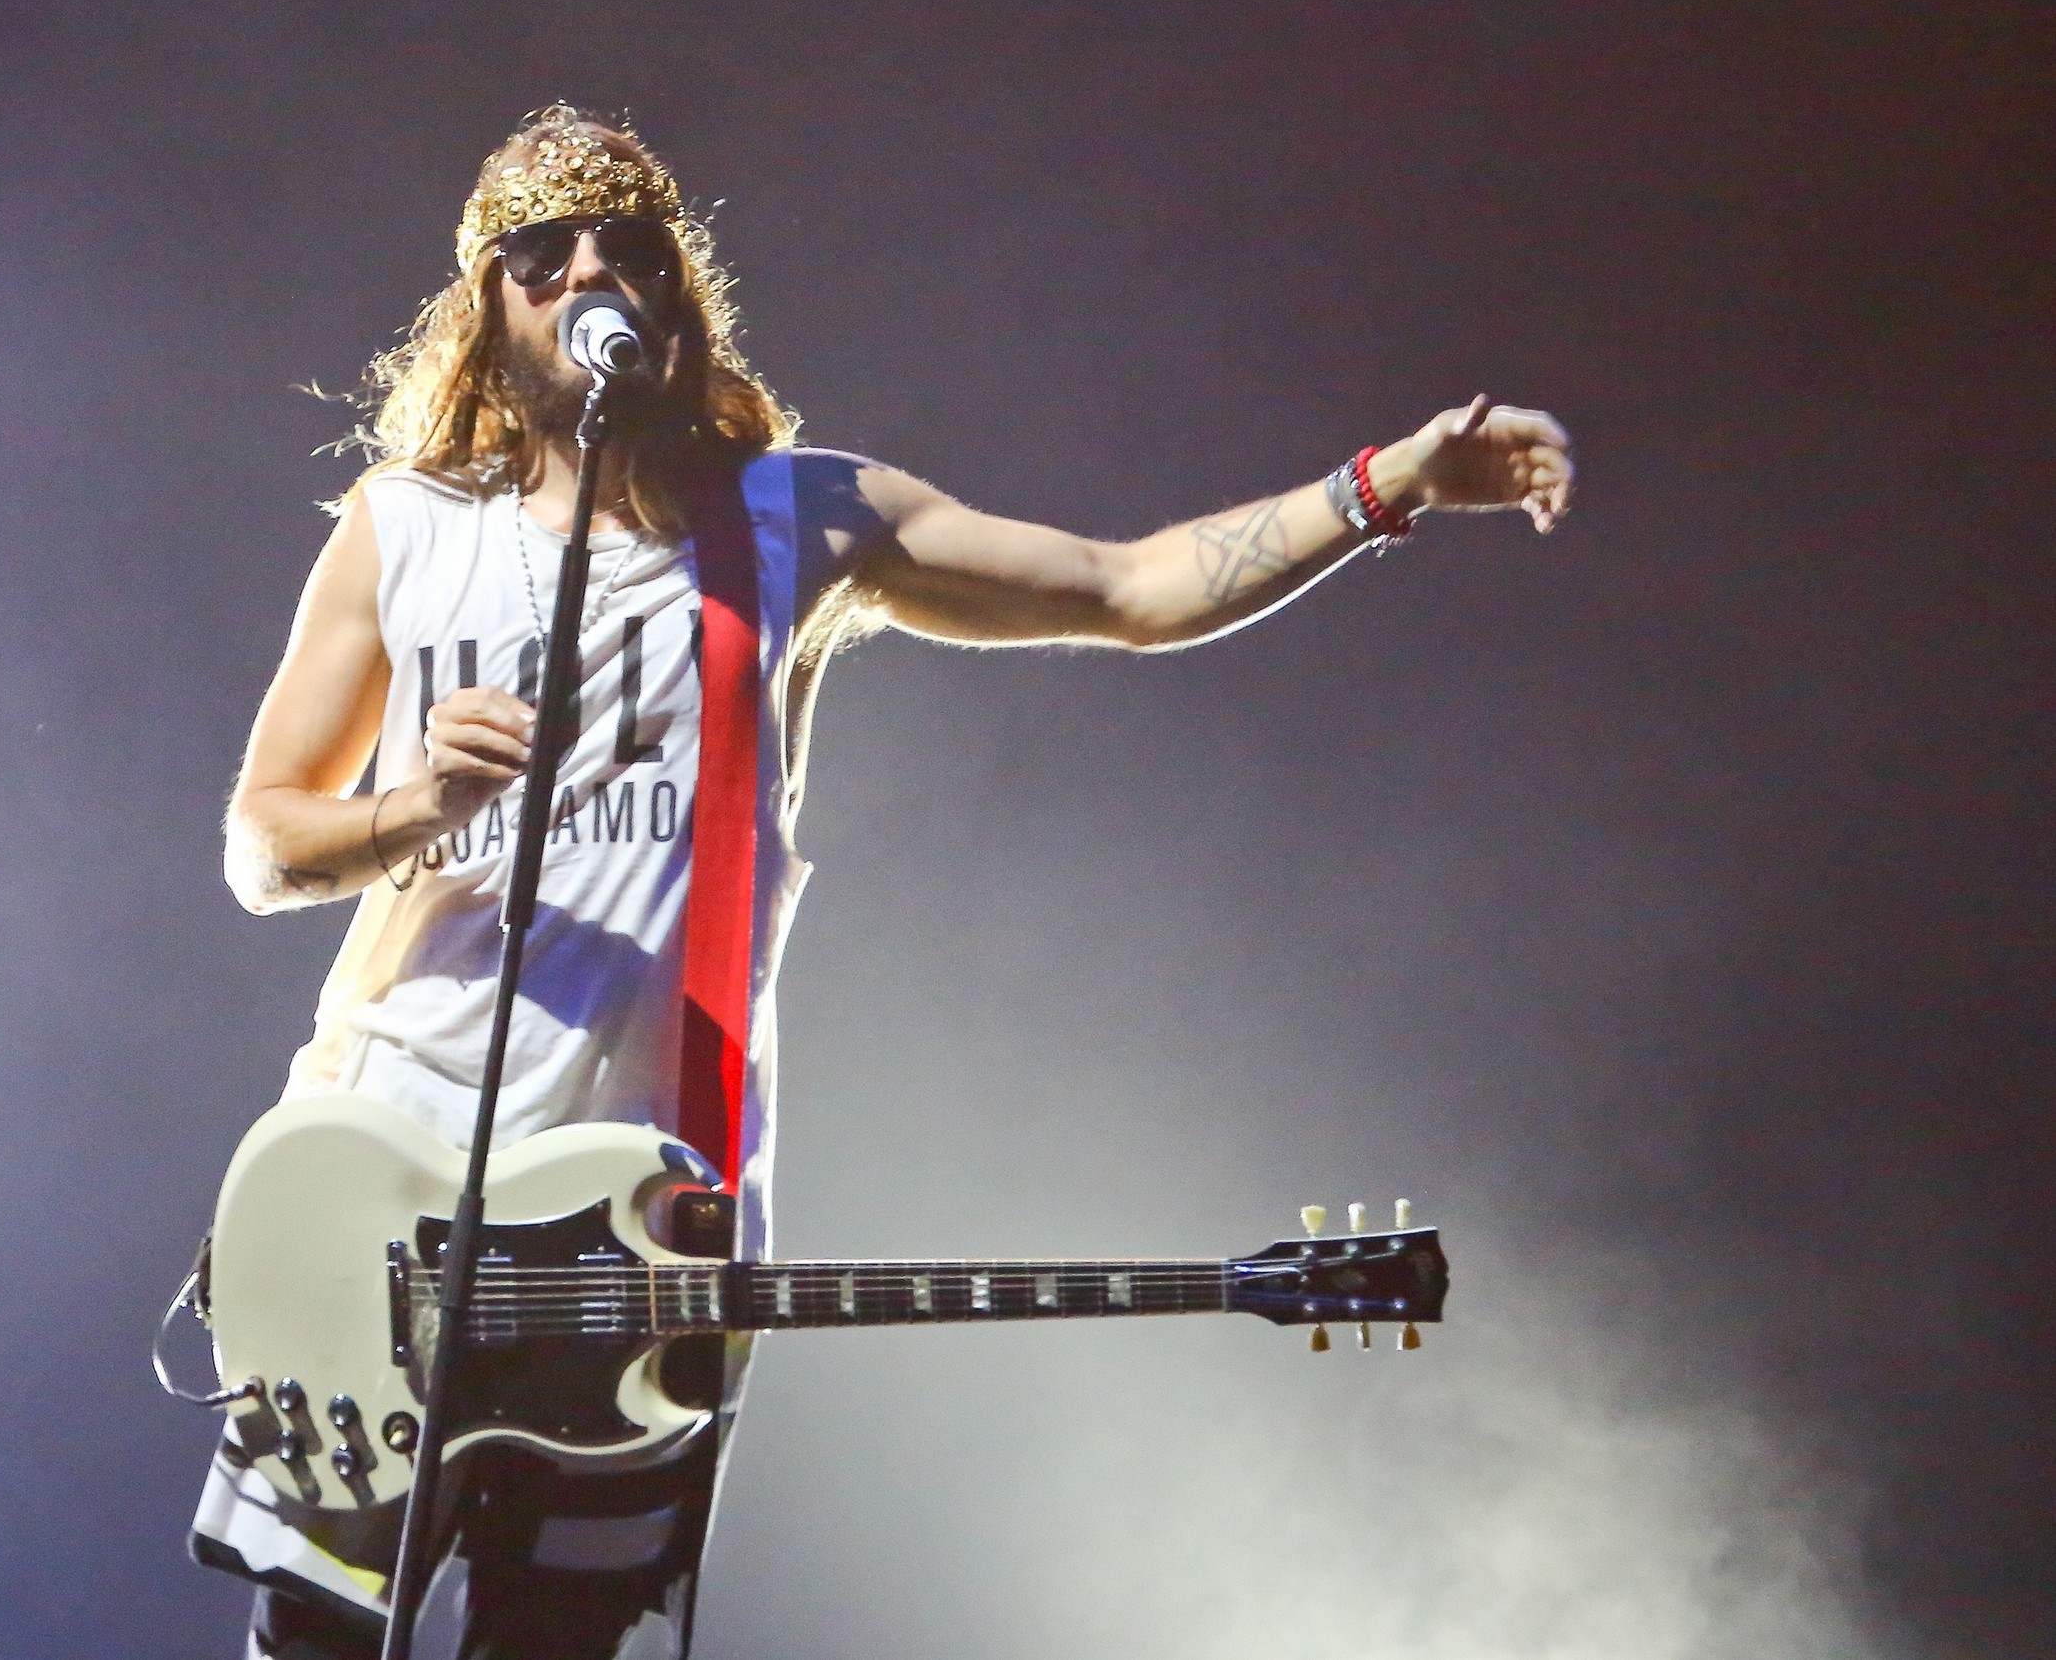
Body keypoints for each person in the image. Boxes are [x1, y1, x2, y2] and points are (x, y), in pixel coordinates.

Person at [191, 104, 1573, 1660]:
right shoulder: (405, 530)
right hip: (388, 1197)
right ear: (486, 303)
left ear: (672, 293)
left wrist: (1383, 484)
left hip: (654, 1220)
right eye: (543, 253)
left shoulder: (794, 520)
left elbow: (1128, 587)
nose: (589, 272)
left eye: (627, 247)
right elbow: (260, 844)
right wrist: (418, 806)